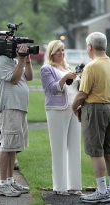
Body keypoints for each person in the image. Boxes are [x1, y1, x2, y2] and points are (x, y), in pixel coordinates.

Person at [72, 32, 110, 203]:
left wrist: (74, 107)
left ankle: (102, 191)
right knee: (109, 149)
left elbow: (82, 94)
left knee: (96, 150)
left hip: (96, 109)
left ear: (90, 47)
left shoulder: (91, 67)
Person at [40, 40, 83, 196]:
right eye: (58, 50)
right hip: (57, 110)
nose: (61, 53)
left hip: (73, 109)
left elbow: (76, 88)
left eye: (63, 50)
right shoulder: (46, 69)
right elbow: (52, 89)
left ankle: (75, 185)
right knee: (59, 149)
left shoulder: (68, 67)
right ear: (52, 52)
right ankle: (60, 187)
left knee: (75, 147)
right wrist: (65, 77)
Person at [0, 31, 32, 197]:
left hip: (18, 107)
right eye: (10, 41)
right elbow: (14, 80)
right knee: (6, 145)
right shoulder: (1, 61)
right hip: (9, 107)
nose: (14, 44)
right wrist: (21, 60)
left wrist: (26, 59)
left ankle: (10, 181)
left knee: (13, 146)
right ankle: (2, 184)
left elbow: (28, 77)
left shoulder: (13, 60)